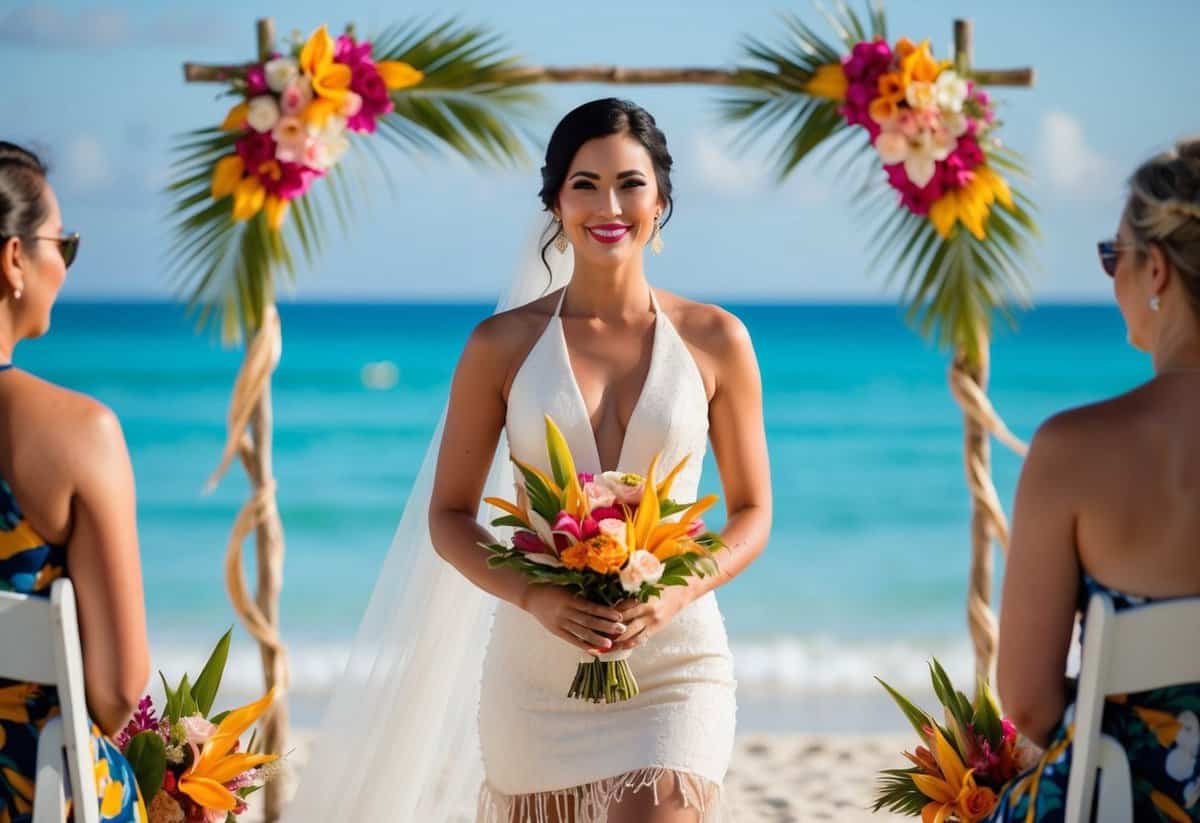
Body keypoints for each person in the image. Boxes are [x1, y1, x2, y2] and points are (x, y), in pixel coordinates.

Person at [283, 99, 772, 823]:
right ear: (554, 202)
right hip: (536, 671)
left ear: (662, 198)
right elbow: (449, 517)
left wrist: (674, 593)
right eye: (585, 183)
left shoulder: (716, 339)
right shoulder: (499, 347)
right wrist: (535, 596)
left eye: (631, 183)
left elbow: (753, 512)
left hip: (676, 661)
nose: (610, 205)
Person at [990, 137, 1200, 820]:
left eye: (1115, 258)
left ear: (1159, 270)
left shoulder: (1073, 451)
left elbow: (1026, 700)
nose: (1113, 279)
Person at [0, 141, 149, 822]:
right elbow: (118, 685)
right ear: (13, 260)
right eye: (65, 243)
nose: (64, 264)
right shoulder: (79, 431)